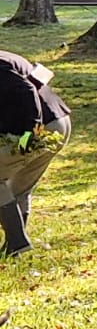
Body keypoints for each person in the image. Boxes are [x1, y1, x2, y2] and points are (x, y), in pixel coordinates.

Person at [0, 50, 73, 257]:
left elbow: (26, 91)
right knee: (18, 189)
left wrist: (28, 135)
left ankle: (17, 242)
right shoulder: (6, 56)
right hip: (59, 123)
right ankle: (15, 247)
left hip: (40, 130)